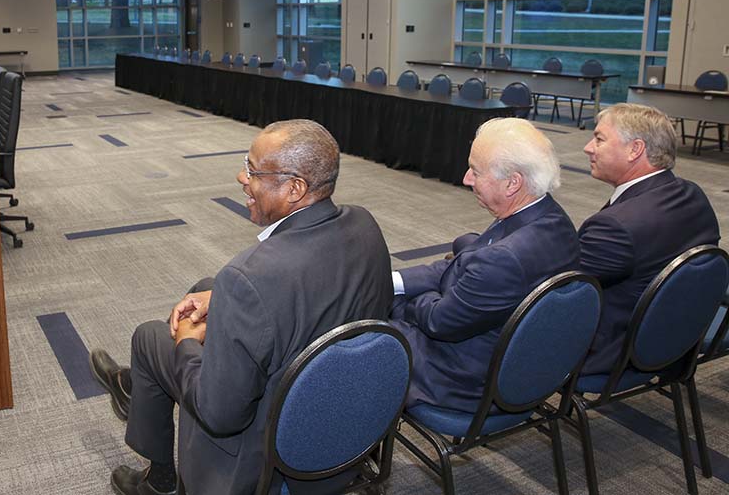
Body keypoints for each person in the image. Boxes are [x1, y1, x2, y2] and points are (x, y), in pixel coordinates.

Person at [89, 120, 393, 495]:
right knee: (204, 289)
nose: (240, 177)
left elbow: (220, 415)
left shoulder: (249, 278)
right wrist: (222, 295)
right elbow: (314, 285)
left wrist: (186, 341)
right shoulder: (364, 224)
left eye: (252, 171)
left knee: (150, 337)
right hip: (344, 415)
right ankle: (145, 391)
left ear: (295, 188)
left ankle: (161, 478)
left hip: (264, 448)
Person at [389, 117, 579, 412]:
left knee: (358, 338)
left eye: (475, 171)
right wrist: (395, 281)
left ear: (513, 182)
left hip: (462, 376)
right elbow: (467, 264)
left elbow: (438, 321)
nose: (466, 178)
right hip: (517, 358)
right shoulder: (550, 217)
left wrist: (395, 298)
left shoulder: (503, 258)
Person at [579, 103, 720, 374]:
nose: (588, 147)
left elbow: (558, 283)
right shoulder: (692, 194)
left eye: (599, 139)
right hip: (678, 334)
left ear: (635, 150)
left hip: (616, 349)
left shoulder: (615, 226)